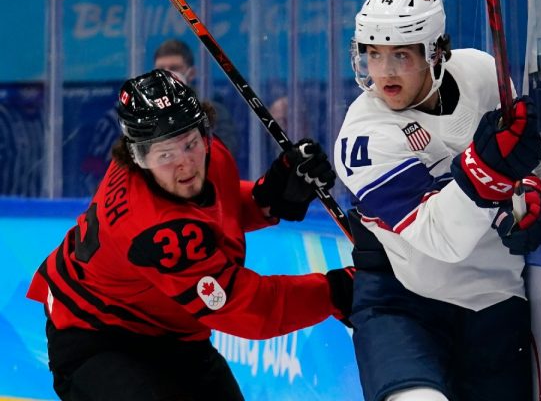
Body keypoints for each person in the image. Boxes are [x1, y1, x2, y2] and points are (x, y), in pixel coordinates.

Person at [27, 69, 354, 400]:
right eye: (166, 154)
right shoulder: (152, 231)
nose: (185, 165)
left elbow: (212, 212)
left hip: (172, 330)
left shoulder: (206, 156)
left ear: (204, 132)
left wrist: (269, 197)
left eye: (189, 143)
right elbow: (250, 307)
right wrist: (335, 292)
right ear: (138, 156)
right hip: (96, 338)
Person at [334, 0, 541, 401]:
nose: (384, 72)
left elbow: (538, 160)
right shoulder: (363, 134)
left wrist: (534, 188)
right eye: (373, 55)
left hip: (495, 298)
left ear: (436, 51)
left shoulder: (481, 73)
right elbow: (441, 238)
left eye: (401, 54)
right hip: (405, 301)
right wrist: (488, 170)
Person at [81, 38, 239, 195]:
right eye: (161, 69)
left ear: (191, 73)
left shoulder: (212, 111)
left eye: (174, 67)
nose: (167, 74)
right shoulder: (135, 118)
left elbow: (222, 157)